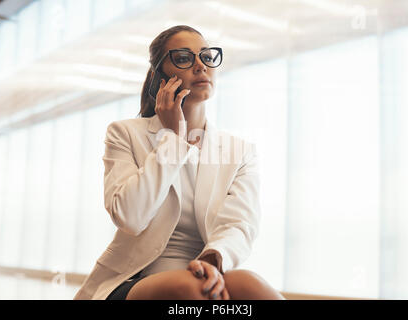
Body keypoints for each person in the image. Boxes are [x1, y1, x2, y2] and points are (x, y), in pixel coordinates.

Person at [74, 25, 285, 300]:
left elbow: (239, 226)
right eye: (184, 58)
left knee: (252, 286)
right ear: (159, 77)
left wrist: (210, 262)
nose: (200, 65)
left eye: (206, 57)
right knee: (191, 291)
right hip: (134, 279)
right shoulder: (125, 133)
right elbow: (130, 217)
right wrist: (174, 139)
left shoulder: (240, 151)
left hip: (206, 268)